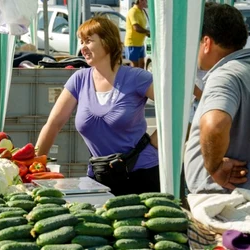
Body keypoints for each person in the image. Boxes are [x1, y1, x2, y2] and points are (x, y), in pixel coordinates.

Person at [36, 16, 160, 196]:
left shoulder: (137, 78)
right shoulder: (79, 79)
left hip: (142, 175)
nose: (82, 47)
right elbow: (53, 124)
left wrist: (154, 143)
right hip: (100, 177)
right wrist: (34, 165)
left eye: (88, 41)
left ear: (107, 42)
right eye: (81, 42)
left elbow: (174, 111)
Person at [184, 3, 250, 194]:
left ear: (206, 42)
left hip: (225, 202)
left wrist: (215, 168)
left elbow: (215, 126)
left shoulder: (224, 76)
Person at [125, 0, 150, 68]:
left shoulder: (142, 11)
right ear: (140, 1)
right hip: (132, 44)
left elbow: (142, 26)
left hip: (140, 44)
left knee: (142, 66)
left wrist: (146, 33)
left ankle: (139, 79)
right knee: (134, 67)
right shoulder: (133, 11)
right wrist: (147, 32)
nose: (147, 2)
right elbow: (136, 27)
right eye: (146, 1)